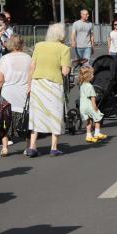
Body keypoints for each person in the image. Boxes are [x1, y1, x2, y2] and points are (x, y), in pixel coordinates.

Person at [25, 22, 71, 157]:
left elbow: (32, 67)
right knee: (55, 113)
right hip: (54, 84)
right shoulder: (64, 49)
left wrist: (29, 85)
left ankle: (32, 146)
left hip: (37, 83)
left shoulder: (39, 46)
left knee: (37, 113)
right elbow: (65, 71)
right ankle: (53, 147)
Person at [0, 34, 31, 157]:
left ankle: (4, 147)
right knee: (26, 121)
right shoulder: (28, 58)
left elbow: (0, 79)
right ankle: (27, 147)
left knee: (5, 122)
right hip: (24, 92)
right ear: (21, 44)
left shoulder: (5, 59)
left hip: (8, 93)